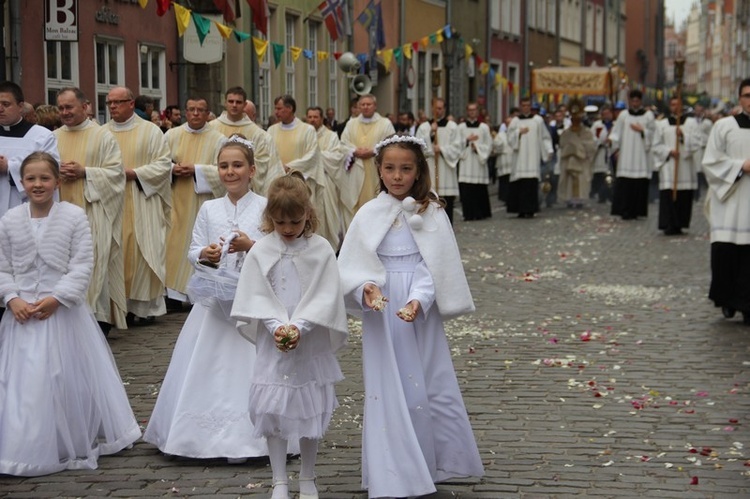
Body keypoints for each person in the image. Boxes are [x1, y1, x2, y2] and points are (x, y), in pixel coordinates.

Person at [337, 134, 484, 498]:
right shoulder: (368, 213)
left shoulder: (431, 212)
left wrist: (419, 299)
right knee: (387, 384)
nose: (398, 176)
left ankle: (432, 461)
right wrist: (366, 289)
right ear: (380, 170)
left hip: (419, 310)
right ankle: (392, 469)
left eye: (406, 169)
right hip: (382, 308)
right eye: (390, 168)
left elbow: (434, 265)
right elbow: (353, 266)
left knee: (427, 380)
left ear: (419, 171)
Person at [0, 152, 140, 476]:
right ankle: (25, 442)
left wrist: (58, 297)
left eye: (45, 178)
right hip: (21, 314)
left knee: (63, 376)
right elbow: (3, 266)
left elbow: (81, 264)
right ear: (22, 183)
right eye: (31, 179)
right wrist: (11, 298)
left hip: (61, 313)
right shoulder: (9, 220)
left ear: (57, 182)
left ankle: (66, 436)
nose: (38, 184)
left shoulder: (74, 217)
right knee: (22, 382)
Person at [145, 136, 270, 461]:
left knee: (249, 362)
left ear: (252, 170)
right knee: (205, 363)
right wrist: (206, 253)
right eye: (224, 166)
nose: (230, 172)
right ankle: (194, 434)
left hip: (250, 300)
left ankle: (255, 434)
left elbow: (276, 250)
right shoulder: (209, 207)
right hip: (213, 302)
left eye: (237, 165)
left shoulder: (264, 206)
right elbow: (192, 249)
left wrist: (251, 246)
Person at [231, 171, 348, 499]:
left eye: (294, 223)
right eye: (280, 223)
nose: (287, 230)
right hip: (274, 339)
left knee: (309, 407)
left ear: (307, 215)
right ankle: (279, 479)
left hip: (308, 340)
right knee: (274, 407)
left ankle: (308, 476)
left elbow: (326, 294)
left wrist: (300, 327)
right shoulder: (261, 250)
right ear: (269, 218)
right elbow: (255, 293)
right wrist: (275, 326)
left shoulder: (320, 249)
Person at [55, 87, 127, 335]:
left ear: (84, 107)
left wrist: (85, 172)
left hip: (94, 211)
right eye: (61, 108)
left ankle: (97, 320)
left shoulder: (103, 137)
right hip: (60, 212)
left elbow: (116, 174)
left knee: (94, 263)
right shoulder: (52, 137)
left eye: (69, 107)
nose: (64, 112)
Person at [104, 86, 172, 324]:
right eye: (109, 103)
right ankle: (118, 307)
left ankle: (144, 310)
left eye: (118, 102)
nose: (113, 106)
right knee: (116, 251)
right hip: (112, 202)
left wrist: (134, 173)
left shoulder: (151, 132)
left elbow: (164, 165)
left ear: (131, 103)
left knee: (144, 252)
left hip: (143, 199)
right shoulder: (101, 133)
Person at [164, 97, 226, 306]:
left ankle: (197, 294)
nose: (196, 114)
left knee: (200, 244)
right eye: (191, 110)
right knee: (172, 246)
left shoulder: (218, 139)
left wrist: (197, 170)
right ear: (185, 112)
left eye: (201, 110)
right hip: (175, 200)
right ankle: (173, 295)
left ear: (208, 113)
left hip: (203, 202)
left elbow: (224, 171)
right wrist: (173, 169)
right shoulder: (172, 135)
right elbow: (158, 164)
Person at [702, 78, 750, 323]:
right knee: (727, 253)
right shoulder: (724, 126)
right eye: (747, 95)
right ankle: (728, 301)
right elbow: (710, 162)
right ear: (739, 98)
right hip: (730, 201)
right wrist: (741, 166)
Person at [267, 96, 330, 247]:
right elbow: (268, 155)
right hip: (278, 186)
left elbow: (313, 156)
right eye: (275, 108)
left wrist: (290, 167)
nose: (276, 112)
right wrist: (277, 168)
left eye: (279, 108)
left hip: (302, 184)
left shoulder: (307, 130)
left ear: (290, 109)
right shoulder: (271, 130)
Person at [0, 82, 59, 220]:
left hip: (26, 209)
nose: (0, 109)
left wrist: (9, 167)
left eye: (6, 104)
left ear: (20, 107)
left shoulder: (42, 136)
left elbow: (51, 169)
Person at [210, 87, 284, 196]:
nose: (234, 105)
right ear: (225, 103)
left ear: (244, 105)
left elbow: (263, 166)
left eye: (238, 102)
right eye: (231, 101)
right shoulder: (211, 129)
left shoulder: (259, 134)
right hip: (214, 196)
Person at [340, 94, 394, 229]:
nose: (365, 107)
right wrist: (354, 151)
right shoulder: (351, 124)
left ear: (375, 106)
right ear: (358, 106)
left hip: (375, 170)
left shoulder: (385, 123)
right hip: (355, 172)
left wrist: (374, 151)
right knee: (355, 209)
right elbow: (342, 144)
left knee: (375, 204)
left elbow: (391, 144)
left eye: (368, 104)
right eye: (362, 104)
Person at [307, 106, 353, 249]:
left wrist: (314, 158)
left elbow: (336, 158)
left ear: (321, 119)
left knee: (329, 218)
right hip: (308, 181)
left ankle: (330, 247)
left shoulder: (331, 136)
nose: (312, 120)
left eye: (315, 117)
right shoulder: (304, 134)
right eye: (310, 117)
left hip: (326, 181)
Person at [651, 96, 698, 235]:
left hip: (684, 165)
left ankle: (680, 223)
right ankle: (668, 224)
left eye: (678, 104)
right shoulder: (662, 124)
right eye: (672, 104)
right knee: (668, 195)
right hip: (669, 165)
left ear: (682, 105)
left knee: (683, 196)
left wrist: (683, 136)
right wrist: (669, 151)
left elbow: (697, 142)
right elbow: (656, 145)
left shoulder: (691, 123)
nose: (675, 107)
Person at [609, 89, 656, 220]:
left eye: (637, 100)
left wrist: (643, 130)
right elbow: (616, 132)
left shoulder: (648, 116)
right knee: (625, 184)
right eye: (633, 100)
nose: (635, 103)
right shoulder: (624, 115)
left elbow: (653, 134)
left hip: (641, 155)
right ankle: (624, 210)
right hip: (626, 155)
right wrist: (614, 146)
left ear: (640, 101)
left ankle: (637, 210)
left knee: (639, 185)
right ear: (629, 101)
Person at [415, 98, 463, 223]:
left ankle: (447, 227)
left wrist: (441, 149)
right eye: (436, 108)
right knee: (430, 201)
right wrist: (430, 135)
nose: (438, 111)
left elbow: (458, 147)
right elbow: (418, 148)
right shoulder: (424, 127)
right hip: (430, 168)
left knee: (446, 203)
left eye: (441, 108)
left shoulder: (452, 127)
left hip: (446, 170)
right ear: (432, 108)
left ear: (445, 109)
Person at [506, 97, 553, 218]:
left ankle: (531, 209)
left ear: (530, 107)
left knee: (531, 184)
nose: (526, 107)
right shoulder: (515, 121)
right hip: (520, 159)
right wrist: (518, 133)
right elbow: (509, 138)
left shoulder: (538, 120)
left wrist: (548, 150)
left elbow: (544, 137)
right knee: (520, 185)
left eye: (528, 105)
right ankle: (520, 209)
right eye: (523, 105)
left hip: (532, 158)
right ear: (521, 107)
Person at [457, 102, 493, 220]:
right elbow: (456, 144)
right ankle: (468, 214)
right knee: (467, 190)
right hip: (466, 163)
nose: (472, 112)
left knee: (479, 189)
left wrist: (477, 148)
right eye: (470, 110)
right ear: (467, 111)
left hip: (478, 163)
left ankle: (480, 213)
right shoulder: (461, 127)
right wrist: (467, 141)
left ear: (477, 112)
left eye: (474, 110)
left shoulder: (484, 128)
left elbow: (488, 145)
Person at [557, 100, 596, 208]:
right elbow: (563, 144)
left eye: (577, 119)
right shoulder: (566, 133)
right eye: (573, 119)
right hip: (569, 161)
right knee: (569, 182)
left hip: (581, 162)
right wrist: (571, 149)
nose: (575, 121)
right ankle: (569, 198)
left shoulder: (587, 132)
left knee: (581, 179)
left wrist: (578, 148)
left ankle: (580, 199)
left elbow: (591, 146)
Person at [589, 105, 615, 203]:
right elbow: (592, 137)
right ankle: (601, 195)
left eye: (608, 113)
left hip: (611, 151)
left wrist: (611, 140)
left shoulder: (615, 124)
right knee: (600, 175)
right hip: (600, 152)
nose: (607, 116)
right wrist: (601, 141)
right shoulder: (597, 125)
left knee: (611, 175)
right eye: (604, 114)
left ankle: (611, 195)